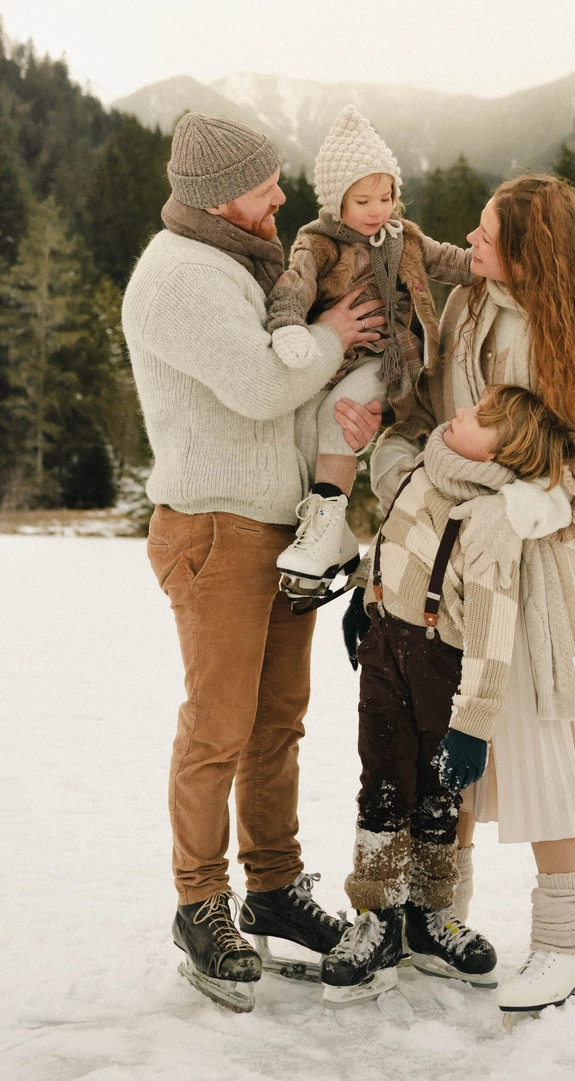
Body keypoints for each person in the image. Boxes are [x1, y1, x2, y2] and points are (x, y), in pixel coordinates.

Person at [364, 173, 575, 1022]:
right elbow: (424, 416)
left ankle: (569, 944)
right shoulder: (465, 310)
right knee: (447, 739)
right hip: (447, 566)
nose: (472, 240)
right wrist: (406, 481)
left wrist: (530, 508)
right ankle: (439, 919)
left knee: (537, 746)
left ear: (533, 253)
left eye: (489, 233)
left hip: (535, 573)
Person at [121, 112, 384, 1013]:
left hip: (278, 527)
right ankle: (200, 903)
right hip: (216, 529)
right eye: (265, 185)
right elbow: (265, 384)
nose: (282, 196)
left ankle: (272, 887)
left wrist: (341, 430)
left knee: (277, 725)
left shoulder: (242, 263)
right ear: (217, 196)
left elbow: (285, 399)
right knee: (219, 727)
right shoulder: (179, 276)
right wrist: (336, 334)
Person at [322, 385, 575, 1007]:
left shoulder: (492, 520)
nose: (461, 412)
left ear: (506, 452)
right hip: (385, 647)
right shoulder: (423, 469)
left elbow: (493, 633)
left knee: (438, 793)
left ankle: (429, 915)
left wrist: (473, 724)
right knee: (382, 781)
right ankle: (377, 917)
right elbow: (393, 539)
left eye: (481, 417)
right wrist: (364, 590)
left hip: (441, 660)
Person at [264, 105, 473, 592]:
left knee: (339, 413)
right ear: (336, 201)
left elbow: (453, 262)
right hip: (336, 358)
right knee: (305, 424)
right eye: (363, 201)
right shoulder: (319, 243)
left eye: (387, 196)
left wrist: (498, 261)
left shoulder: (404, 238)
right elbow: (294, 285)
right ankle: (331, 533)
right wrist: (289, 326)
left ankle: (325, 534)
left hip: (390, 359)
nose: (379, 210)